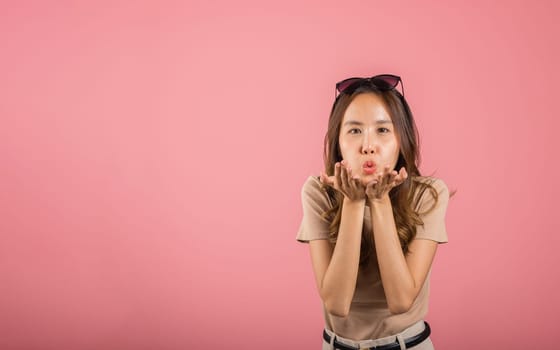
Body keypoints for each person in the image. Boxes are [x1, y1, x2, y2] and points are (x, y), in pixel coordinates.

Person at [296, 74, 450, 350]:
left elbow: (401, 300)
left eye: (382, 130)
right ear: (338, 142)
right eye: (355, 130)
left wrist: (379, 202)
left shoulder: (428, 194)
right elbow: (336, 304)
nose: (368, 145)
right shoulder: (318, 192)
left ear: (401, 139)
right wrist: (353, 203)